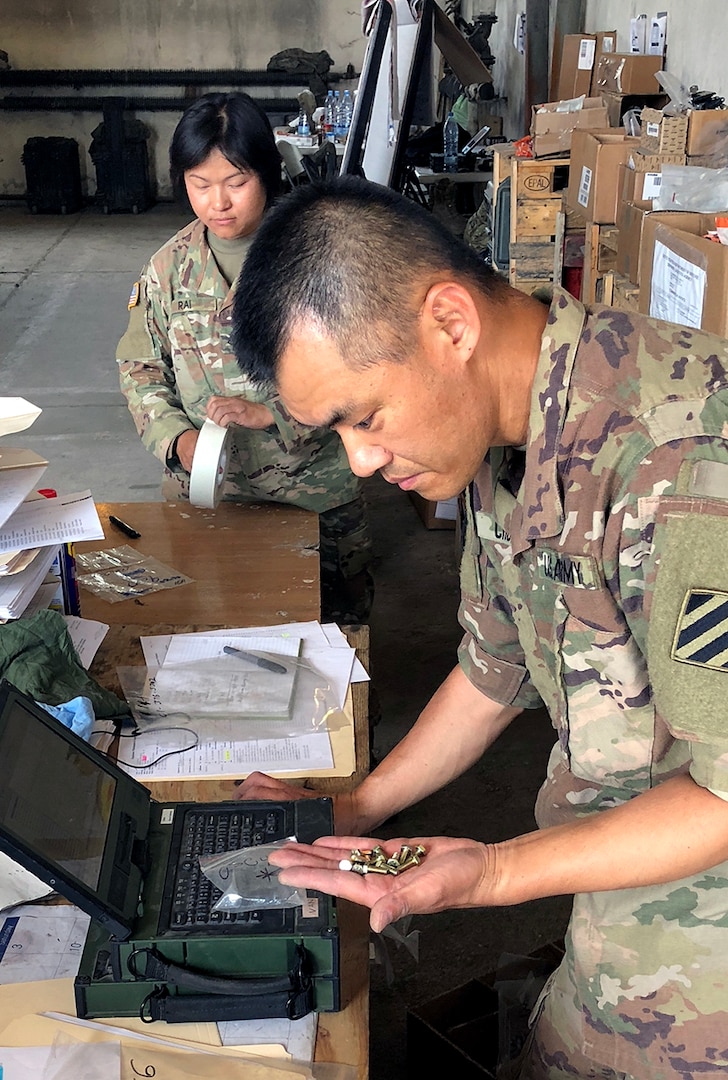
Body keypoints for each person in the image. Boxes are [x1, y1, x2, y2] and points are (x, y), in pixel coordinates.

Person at [229, 175, 728, 1079]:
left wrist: (490, 872)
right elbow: (494, 668)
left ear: (450, 324)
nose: (364, 461)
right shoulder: (505, 442)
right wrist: (358, 807)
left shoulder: (680, 460)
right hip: (617, 899)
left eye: (365, 417)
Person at [116, 93, 373, 623]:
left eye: (236, 182)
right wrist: (175, 440)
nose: (219, 203)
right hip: (206, 495)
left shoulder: (317, 260)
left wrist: (275, 413)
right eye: (200, 184)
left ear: (267, 172)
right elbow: (141, 367)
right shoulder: (169, 269)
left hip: (311, 492)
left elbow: (365, 371)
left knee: (334, 632)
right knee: (210, 623)